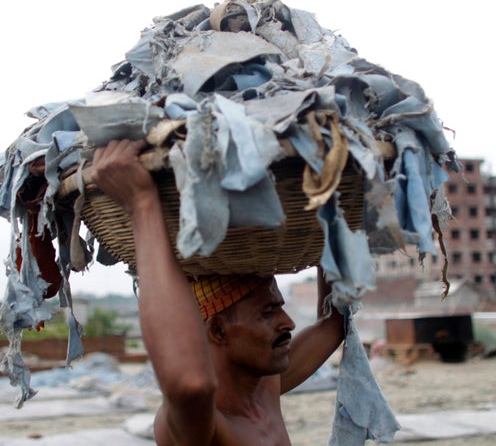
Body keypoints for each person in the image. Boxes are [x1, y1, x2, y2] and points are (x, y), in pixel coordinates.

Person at [92, 139, 346, 445]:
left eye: (278, 306)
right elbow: (191, 385)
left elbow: (333, 323)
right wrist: (142, 204)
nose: (289, 322)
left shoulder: (263, 387)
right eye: (267, 312)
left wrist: (331, 199)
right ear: (217, 329)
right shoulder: (199, 423)